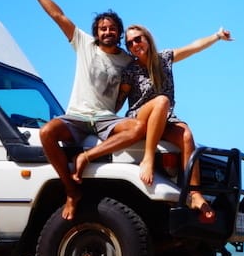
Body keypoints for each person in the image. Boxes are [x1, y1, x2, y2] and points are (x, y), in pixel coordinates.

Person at [74, 23, 232, 221]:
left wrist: (217, 36)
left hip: (164, 118)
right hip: (139, 117)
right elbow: (118, 101)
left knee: (186, 134)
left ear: (147, 39)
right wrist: (98, 112)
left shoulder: (164, 59)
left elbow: (194, 46)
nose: (134, 44)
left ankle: (194, 192)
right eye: (130, 42)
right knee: (162, 100)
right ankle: (148, 158)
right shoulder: (130, 70)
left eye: (138, 39)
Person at [19, 0, 134, 219]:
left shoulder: (128, 60)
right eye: (103, 28)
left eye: (112, 28)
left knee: (137, 128)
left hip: (106, 118)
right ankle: (71, 190)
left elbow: (129, 89)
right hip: (78, 117)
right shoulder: (83, 43)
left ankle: (87, 157)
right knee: (47, 132)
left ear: (119, 33)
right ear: (96, 32)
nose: (107, 32)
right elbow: (57, 15)